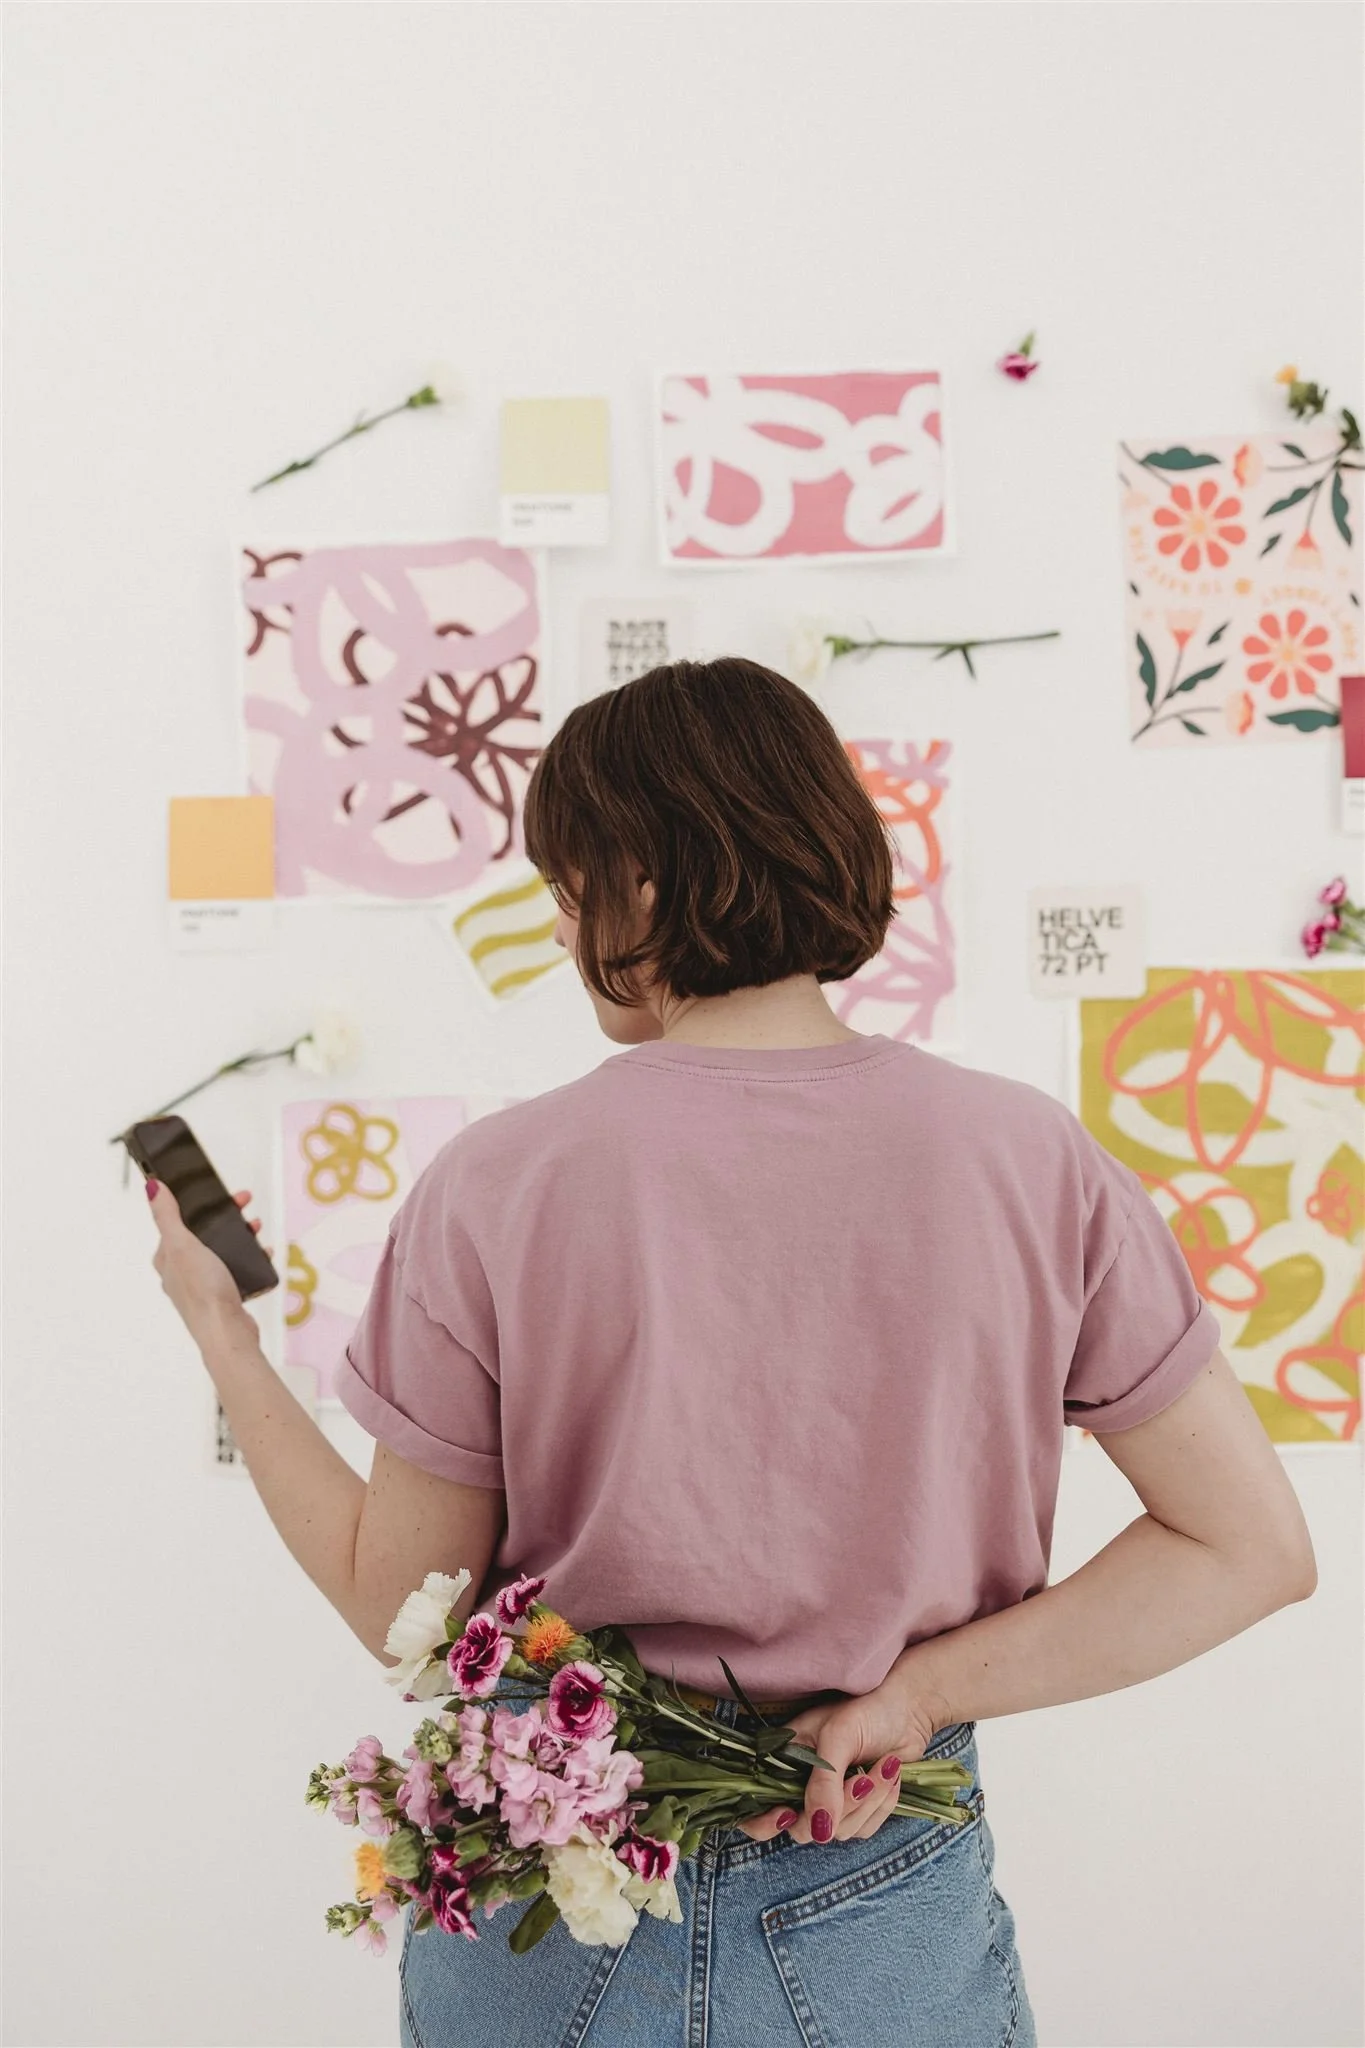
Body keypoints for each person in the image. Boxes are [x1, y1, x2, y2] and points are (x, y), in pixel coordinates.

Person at [145, 658, 1317, 2048]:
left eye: (569, 885)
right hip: (877, 1889)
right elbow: (1251, 1547)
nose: (565, 923)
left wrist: (224, 1335)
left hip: (551, 1911)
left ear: (640, 889)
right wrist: (918, 1694)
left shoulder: (499, 1182)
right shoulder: (1031, 1163)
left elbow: (403, 1608)